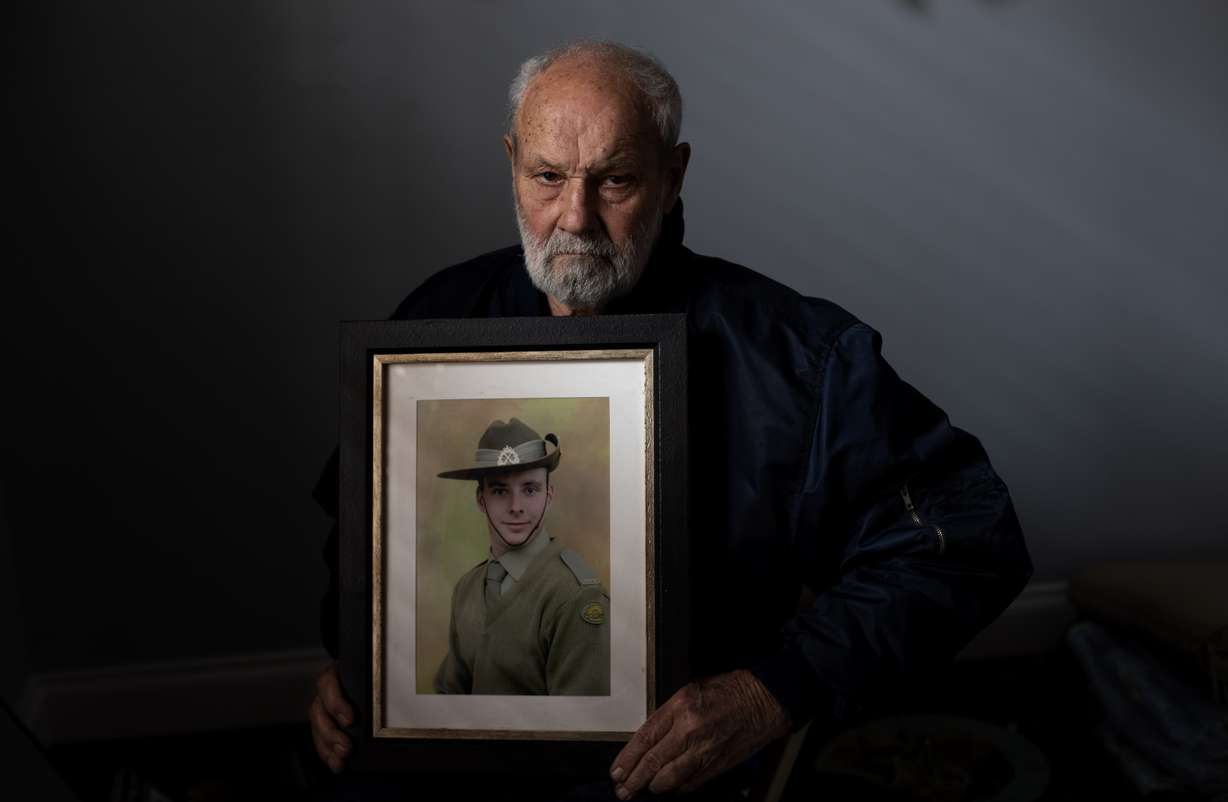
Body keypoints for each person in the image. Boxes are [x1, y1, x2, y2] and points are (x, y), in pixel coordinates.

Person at [308, 39, 1033, 800]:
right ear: (513, 162)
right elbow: (358, 537)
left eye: (615, 179)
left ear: (672, 176)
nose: (575, 217)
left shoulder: (797, 357)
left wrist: (771, 690)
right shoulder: (435, 322)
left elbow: (967, 538)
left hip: (670, 779)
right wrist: (358, 665)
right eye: (547, 177)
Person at [431, 417, 610, 696]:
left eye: (530, 490)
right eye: (500, 491)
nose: (516, 507)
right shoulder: (466, 589)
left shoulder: (574, 595)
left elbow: (580, 726)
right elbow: (447, 700)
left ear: (548, 496)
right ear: (481, 499)